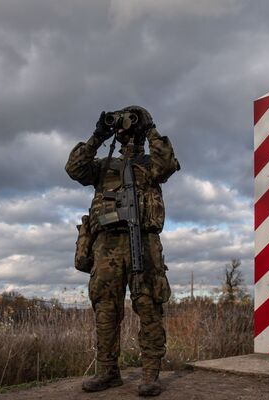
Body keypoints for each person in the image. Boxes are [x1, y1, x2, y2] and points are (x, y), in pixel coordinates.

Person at [65, 105, 180, 396]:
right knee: (105, 307)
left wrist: (150, 126)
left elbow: (166, 163)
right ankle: (107, 372)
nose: (126, 132)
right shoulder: (103, 167)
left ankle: (151, 375)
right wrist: (98, 135)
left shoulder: (149, 165)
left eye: (130, 125)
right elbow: (74, 168)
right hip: (106, 246)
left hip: (142, 241)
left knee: (148, 304)